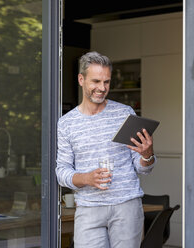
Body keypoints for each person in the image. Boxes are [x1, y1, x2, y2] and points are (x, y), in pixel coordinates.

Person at [56, 51, 156, 248]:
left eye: (107, 82)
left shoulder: (125, 113)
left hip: (126, 207)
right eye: (96, 81)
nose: (102, 88)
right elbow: (62, 171)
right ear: (81, 79)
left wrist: (147, 155)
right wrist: (86, 178)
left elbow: (143, 167)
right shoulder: (66, 123)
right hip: (89, 209)